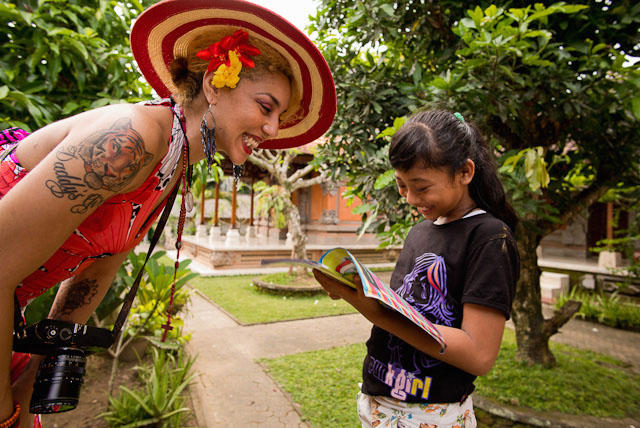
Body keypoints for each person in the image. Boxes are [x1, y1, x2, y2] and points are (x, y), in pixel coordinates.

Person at [0, 0, 336, 426]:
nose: (272, 130)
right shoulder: (129, 138)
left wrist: (28, 396)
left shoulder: (171, 164)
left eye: (279, 117)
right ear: (215, 84)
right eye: (266, 107)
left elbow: (96, 274)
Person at [314, 109, 520, 427]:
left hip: (429, 414)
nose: (410, 198)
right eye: (401, 186)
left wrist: (374, 311)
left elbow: (479, 354)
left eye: (421, 187)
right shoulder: (419, 232)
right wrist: (353, 289)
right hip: (379, 400)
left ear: (465, 172)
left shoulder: (489, 238)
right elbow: (406, 308)